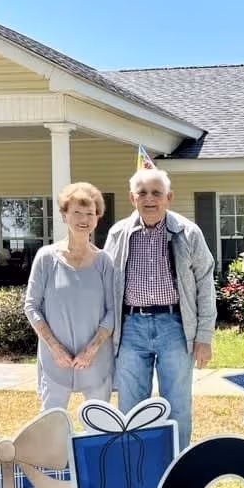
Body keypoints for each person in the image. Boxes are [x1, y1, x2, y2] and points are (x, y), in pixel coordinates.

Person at [102, 167, 216, 451]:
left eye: (156, 193)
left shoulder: (188, 233)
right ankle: (137, 469)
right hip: (131, 327)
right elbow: (103, 284)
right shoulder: (118, 234)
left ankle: (177, 471)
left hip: (175, 326)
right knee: (131, 406)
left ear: (169, 197)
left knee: (177, 404)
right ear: (132, 198)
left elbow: (205, 284)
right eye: (142, 193)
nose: (149, 199)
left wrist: (204, 337)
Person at [24, 182, 115, 410]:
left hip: (96, 359)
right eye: (76, 212)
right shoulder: (46, 258)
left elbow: (113, 311)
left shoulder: (105, 262)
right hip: (55, 359)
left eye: (90, 213)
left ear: (97, 218)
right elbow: (32, 306)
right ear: (64, 215)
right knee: (52, 426)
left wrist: (91, 350)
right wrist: (55, 348)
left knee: (99, 427)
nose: (83, 219)